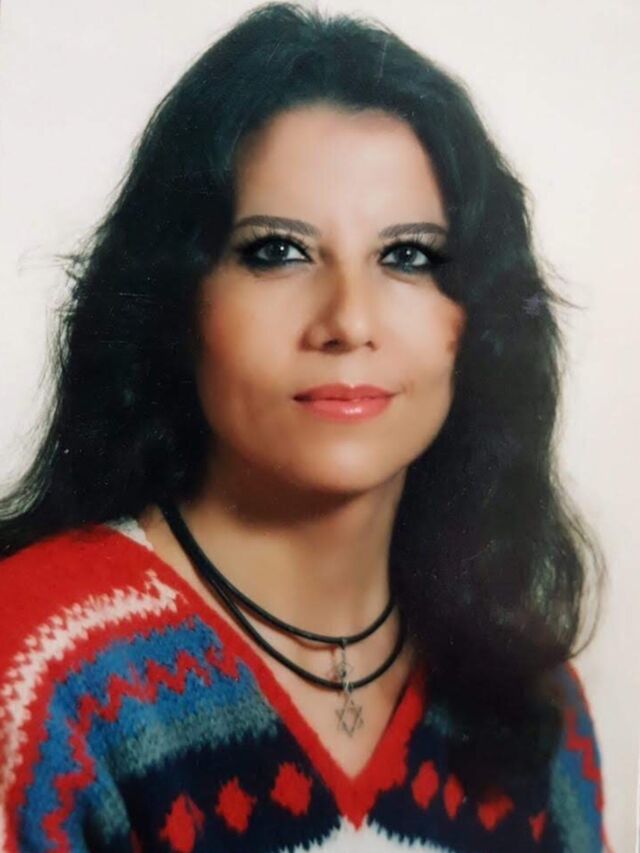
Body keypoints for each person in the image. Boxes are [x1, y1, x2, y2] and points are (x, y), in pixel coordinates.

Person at [0, 3, 610, 851]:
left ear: (474, 321)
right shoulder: (39, 663)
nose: (348, 321)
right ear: (180, 300)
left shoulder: (533, 700)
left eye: (408, 256)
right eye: (277, 251)